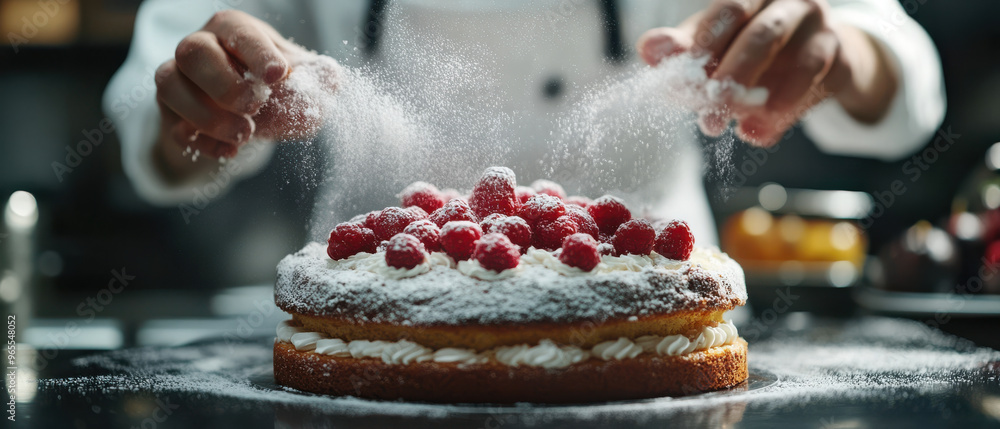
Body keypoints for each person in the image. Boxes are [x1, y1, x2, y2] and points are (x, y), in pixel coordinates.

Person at [105, 0, 945, 245]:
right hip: (372, 365)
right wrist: (206, 107)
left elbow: (906, 83)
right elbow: (153, 136)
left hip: (657, 370)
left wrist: (836, 53)